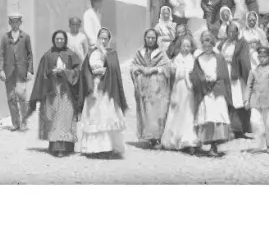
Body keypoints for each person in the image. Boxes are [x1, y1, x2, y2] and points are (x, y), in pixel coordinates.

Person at [27, 30, 82, 157]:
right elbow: (42, 73)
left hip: (67, 92)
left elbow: (78, 71)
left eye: (61, 39)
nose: (59, 41)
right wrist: (51, 74)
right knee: (53, 118)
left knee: (66, 118)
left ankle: (67, 146)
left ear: (65, 40)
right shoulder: (48, 55)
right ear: (53, 40)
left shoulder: (71, 54)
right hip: (52, 91)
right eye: (57, 39)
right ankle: (55, 147)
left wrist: (65, 72)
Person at [76, 27, 128, 156]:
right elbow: (87, 71)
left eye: (106, 38)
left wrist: (106, 73)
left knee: (108, 116)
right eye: (101, 38)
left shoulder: (112, 54)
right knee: (95, 116)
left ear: (109, 40)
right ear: (97, 38)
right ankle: (95, 148)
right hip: (94, 89)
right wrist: (95, 78)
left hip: (108, 91)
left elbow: (115, 73)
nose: (103, 41)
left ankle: (109, 147)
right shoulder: (92, 53)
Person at [190, 31, 233, 156]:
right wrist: (203, 79)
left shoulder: (219, 58)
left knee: (218, 116)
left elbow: (224, 75)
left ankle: (215, 146)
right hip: (205, 91)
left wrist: (215, 78)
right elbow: (195, 74)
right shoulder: (199, 59)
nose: (207, 46)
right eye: (204, 44)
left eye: (209, 44)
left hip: (217, 90)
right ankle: (208, 143)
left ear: (213, 44)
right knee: (207, 116)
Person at [131, 28, 174, 147]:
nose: (150, 40)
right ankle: (149, 136)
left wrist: (154, 69)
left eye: (153, 38)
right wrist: (140, 69)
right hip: (144, 88)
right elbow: (133, 66)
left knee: (157, 112)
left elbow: (167, 67)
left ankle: (157, 137)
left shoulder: (161, 53)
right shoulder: (139, 52)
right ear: (145, 38)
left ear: (156, 39)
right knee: (146, 111)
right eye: (148, 37)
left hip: (157, 89)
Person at [161, 33, 201, 152]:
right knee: (177, 110)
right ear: (180, 47)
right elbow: (170, 72)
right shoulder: (176, 59)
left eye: (188, 46)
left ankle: (188, 139)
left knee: (188, 111)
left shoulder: (193, 59)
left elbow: (195, 73)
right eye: (184, 46)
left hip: (188, 88)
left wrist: (189, 75)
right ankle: (174, 138)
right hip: (178, 86)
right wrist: (175, 70)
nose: (186, 48)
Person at [0, 13, 35, 132]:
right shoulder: (5, 37)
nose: (15, 24)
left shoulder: (25, 37)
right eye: (12, 22)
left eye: (17, 22)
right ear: (9, 23)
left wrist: (29, 71)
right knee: (11, 98)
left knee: (22, 97)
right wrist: (0, 70)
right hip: (8, 72)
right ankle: (15, 123)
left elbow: (30, 55)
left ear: (20, 23)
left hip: (21, 72)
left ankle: (24, 122)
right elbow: (1, 54)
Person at [245, 44, 269, 154]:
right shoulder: (253, 71)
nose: (262, 59)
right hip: (255, 101)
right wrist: (246, 99)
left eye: (264, 56)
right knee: (254, 121)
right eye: (260, 57)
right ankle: (259, 141)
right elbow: (249, 86)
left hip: (268, 101)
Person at [219, 22, 252, 138]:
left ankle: (239, 128)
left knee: (237, 99)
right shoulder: (223, 43)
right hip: (223, 72)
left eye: (233, 31)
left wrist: (248, 75)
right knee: (225, 99)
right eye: (229, 31)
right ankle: (227, 128)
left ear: (238, 32)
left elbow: (244, 60)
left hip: (235, 74)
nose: (231, 33)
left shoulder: (241, 43)